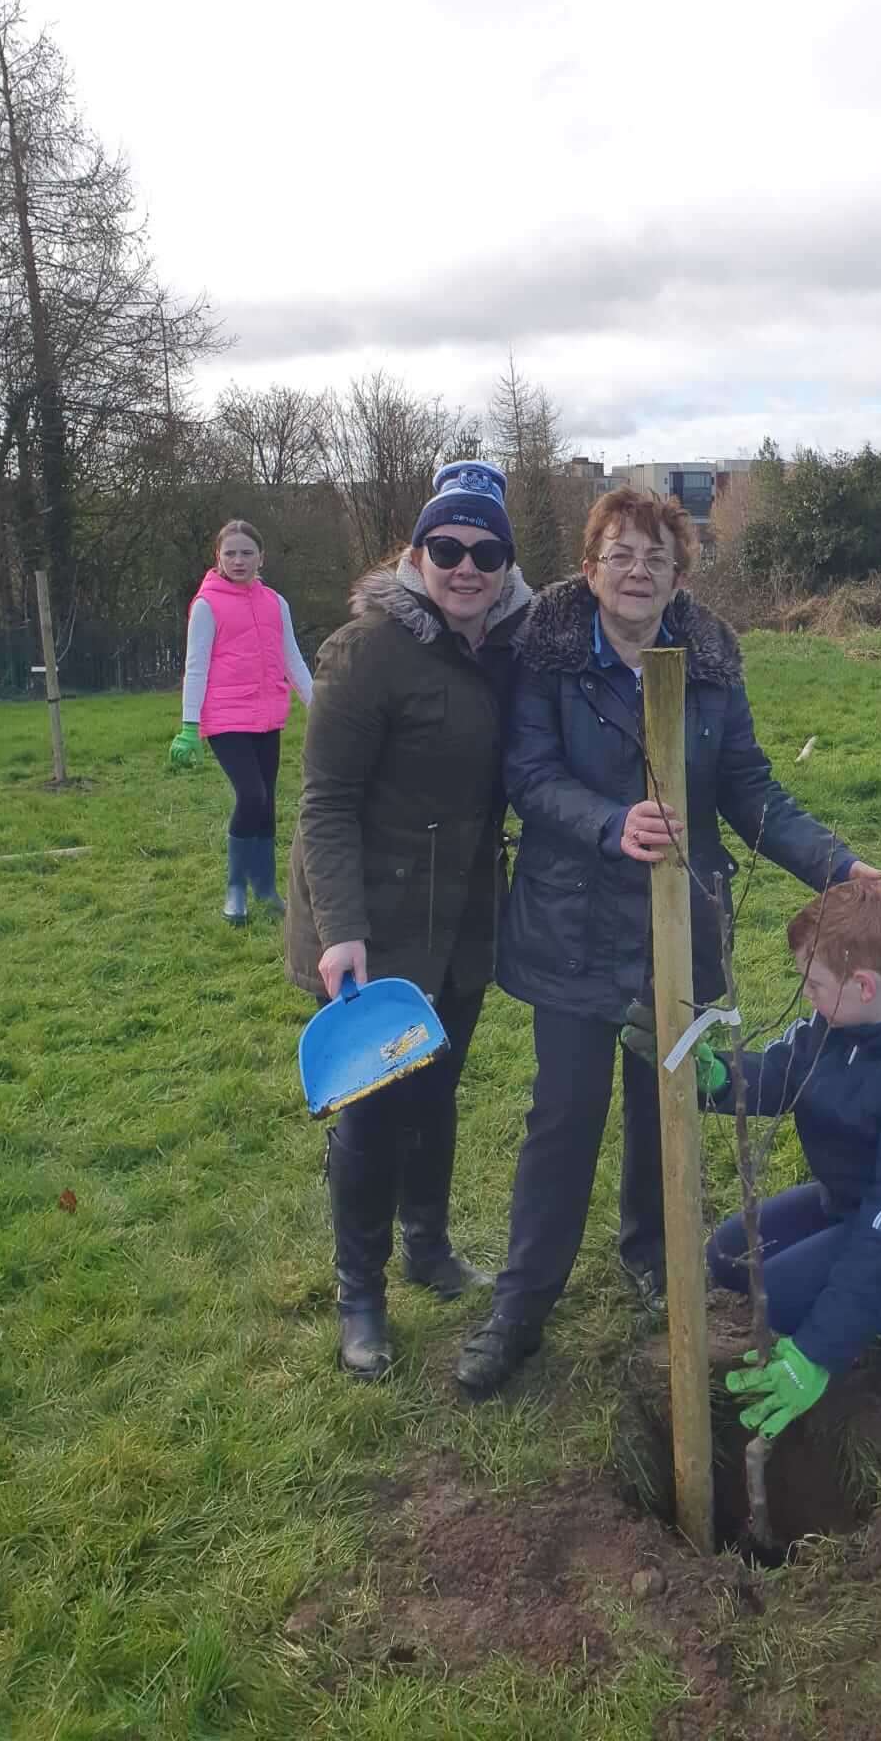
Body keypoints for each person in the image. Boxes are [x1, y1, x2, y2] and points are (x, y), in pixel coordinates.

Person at [454, 486, 881, 1400]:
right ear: (589, 568)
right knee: (563, 1117)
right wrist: (613, 822)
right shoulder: (549, 657)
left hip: (679, 920)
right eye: (620, 554)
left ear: (679, 572)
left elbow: (750, 790)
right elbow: (527, 775)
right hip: (573, 919)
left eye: (656, 556)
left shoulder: (710, 664)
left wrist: (837, 867)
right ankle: (523, 1306)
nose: (638, 571)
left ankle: (652, 1256)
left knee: (670, 1101)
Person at [284, 463, 532, 1380]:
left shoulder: (508, 649)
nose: (467, 567)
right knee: (371, 1113)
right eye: (449, 548)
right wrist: (341, 925)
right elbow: (325, 801)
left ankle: (428, 1248)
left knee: (436, 1093)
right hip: (374, 925)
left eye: (487, 550)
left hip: (462, 916)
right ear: (418, 552)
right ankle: (362, 1298)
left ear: (508, 562)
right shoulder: (366, 650)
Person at [624, 880, 881, 1428]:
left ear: (861, 985)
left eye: (813, 982)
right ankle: (871, 1304)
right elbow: (784, 1073)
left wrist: (817, 1352)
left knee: (783, 1297)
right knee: (730, 1258)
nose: (803, 992)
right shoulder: (836, 1022)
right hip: (856, 1199)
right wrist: (718, 1077)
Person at [168, 519, 314, 924]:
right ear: (218, 557)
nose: (238, 560)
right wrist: (188, 726)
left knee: (267, 801)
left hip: (267, 717)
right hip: (225, 717)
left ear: (261, 557)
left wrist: (320, 706)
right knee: (251, 796)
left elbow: (293, 660)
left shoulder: (275, 603)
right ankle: (236, 889)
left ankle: (265, 889)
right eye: (230, 553)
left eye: (246, 552)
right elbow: (195, 666)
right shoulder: (206, 605)